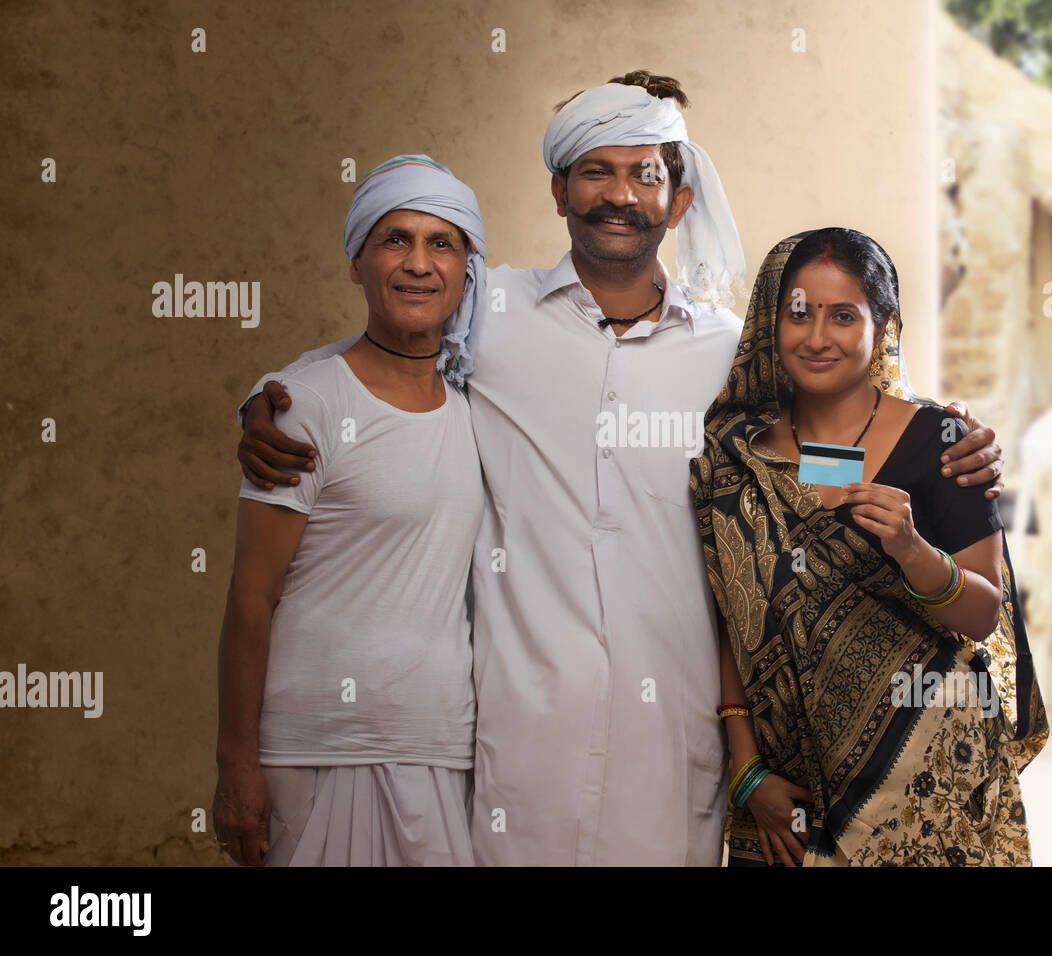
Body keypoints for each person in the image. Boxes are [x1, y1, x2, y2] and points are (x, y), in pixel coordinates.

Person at [234, 72, 1009, 866]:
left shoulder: (727, 353)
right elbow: (393, 337)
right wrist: (269, 403)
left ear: (678, 202)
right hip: (517, 736)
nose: (620, 194)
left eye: (645, 174)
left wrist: (949, 443)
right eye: (596, 171)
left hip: (673, 736)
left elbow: (840, 411)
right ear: (558, 189)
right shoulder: (492, 315)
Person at [690, 228, 1050, 867]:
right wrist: (747, 772)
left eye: (843, 316)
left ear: (883, 326)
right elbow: (729, 625)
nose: (818, 337)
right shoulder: (737, 459)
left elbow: (982, 612)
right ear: (771, 324)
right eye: (799, 313)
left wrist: (913, 551)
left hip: (926, 789)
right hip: (786, 803)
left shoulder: (942, 439)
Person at [212, 155, 487, 866]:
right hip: (315, 749)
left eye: (442, 243)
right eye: (395, 239)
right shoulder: (303, 407)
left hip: (438, 748)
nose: (419, 264)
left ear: (467, 270)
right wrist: (236, 765)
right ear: (358, 262)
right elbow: (251, 597)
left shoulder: (476, 408)